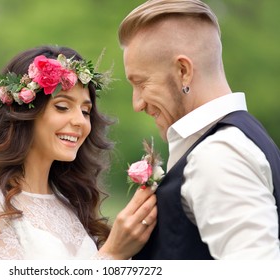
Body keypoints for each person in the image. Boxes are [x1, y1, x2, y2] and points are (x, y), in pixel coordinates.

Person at [0, 45, 157, 260]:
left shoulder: (70, 202)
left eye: (85, 111)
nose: (80, 121)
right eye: (62, 107)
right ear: (23, 112)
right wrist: (112, 255)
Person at [118, 0, 280, 259]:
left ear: (183, 71)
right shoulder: (237, 138)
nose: (137, 103)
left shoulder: (218, 155)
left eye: (141, 83)